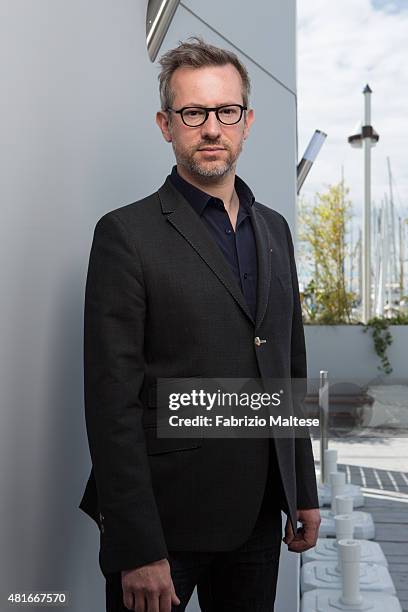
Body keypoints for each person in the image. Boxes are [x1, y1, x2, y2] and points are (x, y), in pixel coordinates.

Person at [79, 36, 321, 612]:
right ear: (167, 125)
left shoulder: (276, 230)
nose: (212, 128)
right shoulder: (125, 236)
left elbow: (288, 367)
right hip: (164, 528)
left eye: (226, 112)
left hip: (260, 517)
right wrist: (137, 546)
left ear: (247, 120)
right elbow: (112, 404)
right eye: (193, 113)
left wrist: (303, 490)